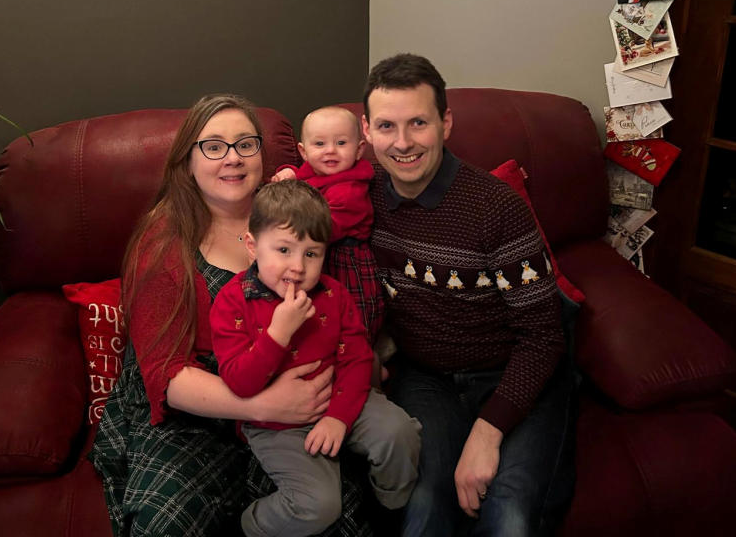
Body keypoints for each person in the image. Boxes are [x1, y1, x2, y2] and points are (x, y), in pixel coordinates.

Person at [89, 94, 369, 537]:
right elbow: (165, 371)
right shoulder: (163, 239)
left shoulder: (290, 216)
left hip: (291, 407)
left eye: (245, 144)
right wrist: (262, 403)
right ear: (187, 159)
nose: (232, 159)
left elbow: (338, 307)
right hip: (195, 408)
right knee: (166, 522)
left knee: (337, 515)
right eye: (214, 146)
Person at [361, 55, 576, 537]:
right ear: (367, 131)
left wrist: (489, 429)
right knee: (422, 511)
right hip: (425, 376)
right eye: (387, 126)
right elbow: (290, 219)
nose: (402, 142)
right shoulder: (357, 196)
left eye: (419, 122)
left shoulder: (497, 208)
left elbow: (543, 338)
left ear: (446, 123)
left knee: (510, 517)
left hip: (514, 369)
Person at [211, 180, 422, 537]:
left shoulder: (333, 294)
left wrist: (338, 418)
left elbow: (357, 359)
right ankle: (251, 525)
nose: (297, 266)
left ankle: (390, 509)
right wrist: (279, 333)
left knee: (400, 434)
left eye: (311, 253)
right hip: (276, 426)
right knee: (319, 506)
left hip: (340, 399)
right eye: (283, 249)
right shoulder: (232, 303)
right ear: (252, 246)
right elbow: (239, 383)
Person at [272, 106, 384, 344]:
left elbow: (324, 229)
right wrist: (288, 172)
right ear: (303, 151)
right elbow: (303, 176)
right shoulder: (316, 170)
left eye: (341, 143)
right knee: (321, 314)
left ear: (359, 149)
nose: (330, 151)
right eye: (319, 144)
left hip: (346, 258)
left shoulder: (351, 190)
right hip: (316, 255)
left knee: (354, 314)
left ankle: (365, 351)